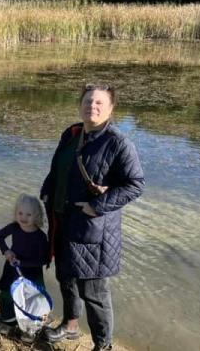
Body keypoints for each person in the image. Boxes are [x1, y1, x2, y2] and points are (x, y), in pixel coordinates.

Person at [40, 84, 145, 351]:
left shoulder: (118, 143)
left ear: (111, 108)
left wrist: (97, 206)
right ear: (80, 105)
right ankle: (71, 326)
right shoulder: (72, 133)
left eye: (99, 102)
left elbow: (135, 185)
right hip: (62, 222)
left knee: (94, 294)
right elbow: (57, 168)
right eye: (88, 101)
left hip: (93, 230)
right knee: (66, 278)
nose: (92, 107)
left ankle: (103, 345)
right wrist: (46, 191)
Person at [0, 194, 49, 341]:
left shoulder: (40, 237)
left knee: (31, 300)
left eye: (28, 214)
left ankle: (30, 329)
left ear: (37, 215)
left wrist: (22, 263)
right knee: (5, 294)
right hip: (11, 269)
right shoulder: (14, 227)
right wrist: (6, 251)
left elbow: (44, 259)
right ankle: (8, 321)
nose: (23, 217)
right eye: (20, 213)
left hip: (31, 274)